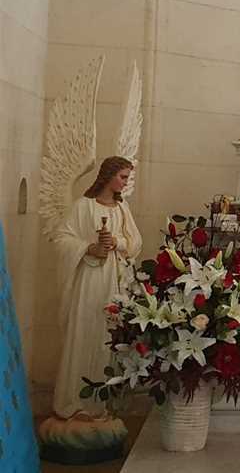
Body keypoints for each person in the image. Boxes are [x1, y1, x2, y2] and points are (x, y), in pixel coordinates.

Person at [52, 156, 142, 419]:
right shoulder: (83, 206)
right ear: (109, 176)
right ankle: (74, 401)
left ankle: (102, 403)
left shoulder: (122, 209)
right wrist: (89, 247)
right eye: (123, 177)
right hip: (89, 280)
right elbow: (61, 239)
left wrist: (117, 243)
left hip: (113, 280)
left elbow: (135, 242)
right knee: (83, 333)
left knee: (107, 335)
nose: (125, 183)